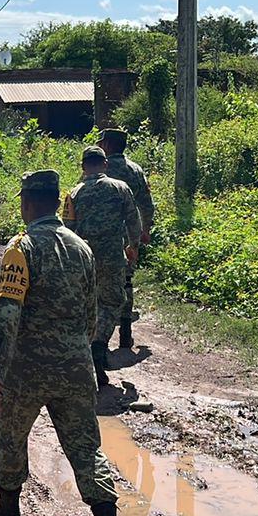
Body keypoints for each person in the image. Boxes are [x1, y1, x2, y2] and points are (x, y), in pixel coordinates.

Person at [0, 169, 126, 516]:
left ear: (26, 203)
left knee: (11, 437)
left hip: (27, 369)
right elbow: (91, 314)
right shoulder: (83, 249)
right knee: (86, 450)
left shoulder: (21, 248)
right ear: (59, 202)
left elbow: (7, 316)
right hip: (76, 368)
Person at [62, 147, 142, 388]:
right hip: (113, 258)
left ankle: (86, 354)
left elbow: (67, 230)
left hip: (84, 260)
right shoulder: (120, 188)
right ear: (105, 164)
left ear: (83, 167)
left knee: (87, 305)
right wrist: (133, 246)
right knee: (113, 301)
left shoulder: (74, 194)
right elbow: (133, 219)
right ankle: (99, 345)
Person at [99, 128, 154, 350]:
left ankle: (98, 338)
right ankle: (125, 333)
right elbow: (146, 204)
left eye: (102, 143)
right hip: (128, 234)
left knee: (99, 282)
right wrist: (145, 229)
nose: (101, 146)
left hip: (100, 235)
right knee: (126, 281)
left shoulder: (99, 169)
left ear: (109, 145)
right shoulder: (135, 170)